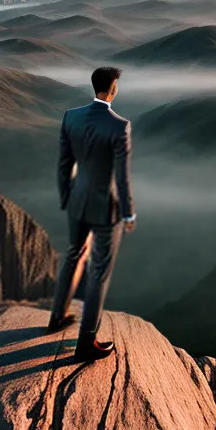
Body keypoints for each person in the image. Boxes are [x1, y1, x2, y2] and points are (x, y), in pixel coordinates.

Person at [48, 66, 136, 363]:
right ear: (112, 89)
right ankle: (87, 342)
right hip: (104, 206)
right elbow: (122, 176)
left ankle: (57, 316)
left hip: (77, 199)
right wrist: (128, 212)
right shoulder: (119, 126)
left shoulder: (71, 117)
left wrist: (66, 197)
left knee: (73, 254)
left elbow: (63, 164)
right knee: (99, 271)